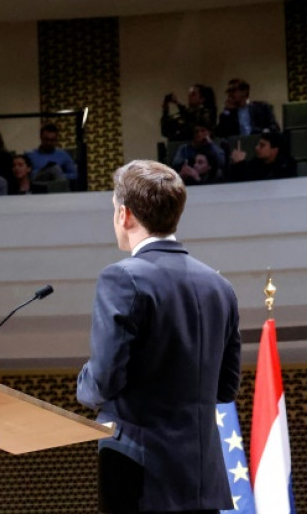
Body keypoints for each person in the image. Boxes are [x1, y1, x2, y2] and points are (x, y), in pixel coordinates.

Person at [77, 160, 241, 514]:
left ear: (125, 215)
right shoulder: (220, 287)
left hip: (139, 475)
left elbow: (103, 380)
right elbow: (226, 388)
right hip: (202, 479)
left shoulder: (122, 278)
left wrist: (83, 385)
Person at [214, 79, 280, 137]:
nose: (230, 94)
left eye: (233, 91)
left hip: (259, 141)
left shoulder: (262, 107)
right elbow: (220, 134)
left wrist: (262, 132)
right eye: (228, 91)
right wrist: (227, 110)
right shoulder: (229, 114)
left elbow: (275, 128)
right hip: (239, 144)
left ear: (244, 92)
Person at [227, 132, 297, 182]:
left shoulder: (286, 166)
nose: (257, 148)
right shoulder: (256, 163)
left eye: (262, 145)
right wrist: (238, 165)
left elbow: (265, 184)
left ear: (274, 150)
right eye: (258, 144)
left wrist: (240, 165)